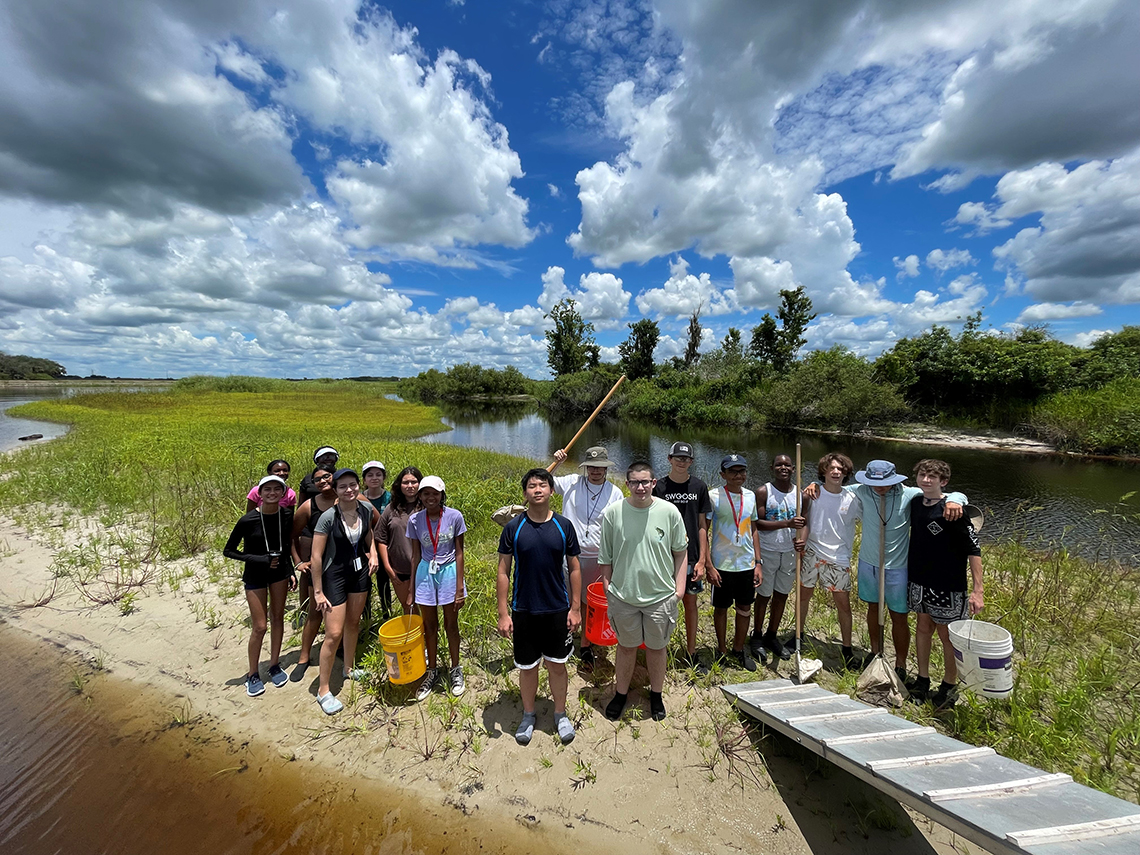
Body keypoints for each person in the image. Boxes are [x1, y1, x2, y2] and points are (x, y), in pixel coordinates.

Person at [805, 459, 966, 681]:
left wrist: (956, 499)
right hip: (868, 563)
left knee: (898, 616)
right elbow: (834, 487)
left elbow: (946, 494)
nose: (879, 487)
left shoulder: (910, 494)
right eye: (874, 482)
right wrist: (814, 483)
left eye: (885, 482)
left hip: (897, 567)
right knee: (873, 608)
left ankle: (900, 663)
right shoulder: (862, 490)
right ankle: (875, 652)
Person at [496, 468, 582, 745]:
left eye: (542, 485)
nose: (537, 490)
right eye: (531, 486)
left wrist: (576, 608)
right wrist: (503, 613)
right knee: (528, 667)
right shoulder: (514, 527)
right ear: (525, 494)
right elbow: (503, 571)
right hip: (524, 610)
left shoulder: (564, 525)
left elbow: (575, 569)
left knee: (557, 666)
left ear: (551, 491)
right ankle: (529, 714)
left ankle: (560, 714)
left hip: (558, 608)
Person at [598, 461, 688, 722]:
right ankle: (621, 693)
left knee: (656, 648)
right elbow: (606, 558)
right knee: (626, 647)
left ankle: (656, 694)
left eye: (645, 482)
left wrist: (679, 590)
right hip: (623, 596)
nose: (640, 487)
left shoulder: (669, 512)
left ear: (654, 483)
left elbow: (681, 553)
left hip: (661, 596)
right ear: (627, 484)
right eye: (635, 482)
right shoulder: (614, 513)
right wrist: (608, 589)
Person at [906, 459, 983, 708]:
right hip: (919, 579)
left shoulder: (954, 510)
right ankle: (923, 679)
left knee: (946, 635)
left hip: (948, 584)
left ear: (943, 482)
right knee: (923, 628)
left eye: (932, 477)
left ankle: (949, 685)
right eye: (922, 475)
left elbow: (974, 550)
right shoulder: (916, 502)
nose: (926, 480)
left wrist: (977, 590)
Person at [310, 468, 379, 715]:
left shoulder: (366, 509)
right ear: (336, 490)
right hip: (334, 576)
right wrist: (318, 592)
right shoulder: (327, 517)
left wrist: (373, 553)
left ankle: (348, 668)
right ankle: (323, 690)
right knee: (333, 633)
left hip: (359, 573)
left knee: (353, 623)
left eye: (353, 485)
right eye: (343, 487)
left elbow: (369, 534)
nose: (349, 490)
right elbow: (316, 557)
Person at [551, 445, 625, 670]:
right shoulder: (572, 482)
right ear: (585, 467)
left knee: (587, 601)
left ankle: (585, 644)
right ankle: (563, 637)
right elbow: (540, 481)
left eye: (600, 467)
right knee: (563, 596)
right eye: (591, 466)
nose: (595, 471)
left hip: (598, 556)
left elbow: (619, 528)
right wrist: (556, 464)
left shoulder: (615, 493)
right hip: (568, 553)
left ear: (606, 469)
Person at [223, 475, 297, 696]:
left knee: (277, 618)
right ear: (259, 493)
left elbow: (286, 544)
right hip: (255, 574)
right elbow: (229, 550)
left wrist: (291, 569)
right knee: (260, 626)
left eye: (277, 489)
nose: (272, 493)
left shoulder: (286, 515)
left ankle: (274, 664)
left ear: (283, 493)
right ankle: (253, 673)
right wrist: (258, 559)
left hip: (280, 573)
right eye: (267, 490)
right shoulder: (248, 520)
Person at [653, 441, 713, 674]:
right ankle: (660, 651)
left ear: (691, 462)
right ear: (669, 459)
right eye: (677, 458)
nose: (681, 462)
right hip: (663, 556)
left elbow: (701, 526)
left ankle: (691, 652)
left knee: (690, 602)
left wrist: (702, 560)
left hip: (691, 557)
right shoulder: (658, 487)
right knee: (661, 605)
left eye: (685, 459)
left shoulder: (699, 487)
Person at [406, 476, 468, 701]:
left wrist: (460, 587)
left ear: (442, 495)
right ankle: (431, 670)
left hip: (450, 572)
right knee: (429, 626)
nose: (431, 498)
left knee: (452, 625)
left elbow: (460, 552)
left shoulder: (454, 516)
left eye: (435, 493)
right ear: (420, 496)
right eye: (426, 494)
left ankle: (455, 669)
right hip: (425, 574)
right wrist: (412, 588)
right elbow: (415, 555)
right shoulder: (415, 520)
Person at [799, 453, 862, 670]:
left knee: (842, 604)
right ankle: (798, 636)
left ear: (846, 474)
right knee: (803, 594)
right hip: (812, 552)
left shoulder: (852, 499)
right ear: (824, 471)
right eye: (832, 468)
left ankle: (846, 648)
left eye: (841, 469)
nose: (836, 472)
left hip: (838, 557)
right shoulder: (811, 494)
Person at [706, 454, 763, 671]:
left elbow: (754, 529)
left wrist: (758, 562)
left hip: (746, 564)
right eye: (732, 471)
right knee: (721, 609)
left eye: (742, 471)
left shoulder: (750, 496)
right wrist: (708, 564)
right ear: (723, 474)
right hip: (722, 564)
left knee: (744, 607)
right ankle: (722, 650)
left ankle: (739, 649)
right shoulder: (714, 496)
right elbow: (706, 528)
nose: (738, 475)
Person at [750, 454, 809, 663]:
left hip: (790, 553)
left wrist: (803, 541)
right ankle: (756, 636)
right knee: (764, 595)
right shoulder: (764, 491)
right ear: (772, 468)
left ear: (793, 468)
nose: (783, 468)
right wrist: (786, 523)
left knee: (781, 595)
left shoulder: (801, 495)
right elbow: (758, 524)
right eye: (778, 465)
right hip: (768, 550)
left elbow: (805, 523)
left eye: (787, 465)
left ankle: (771, 635)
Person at [288, 467, 336, 682]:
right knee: (315, 613)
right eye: (317, 479)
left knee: (339, 613)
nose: (323, 481)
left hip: (343, 568)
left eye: (326, 476)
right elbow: (292, 536)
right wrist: (298, 562)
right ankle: (303, 657)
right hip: (317, 567)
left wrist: (368, 550)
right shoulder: (309, 506)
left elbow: (372, 524)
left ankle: (341, 648)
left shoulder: (349, 498)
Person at [376, 466, 422, 618]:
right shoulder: (392, 509)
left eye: (414, 482)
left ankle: (429, 639)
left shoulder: (427, 508)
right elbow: (381, 539)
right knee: (408, 607)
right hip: (399, 570)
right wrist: (388, 568)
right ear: (399, 485)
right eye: (405, 482)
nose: (410, 486)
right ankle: (415, 640)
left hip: (424, 569)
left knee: (426, 609)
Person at [361, 460, 392, 619]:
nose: (374, 478)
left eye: (378, 474)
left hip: (383, 545)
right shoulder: (356, 496)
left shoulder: (390, 498)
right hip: (362, 547)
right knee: (363, 583)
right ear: (364, 479)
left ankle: (387, 614)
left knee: (384, 582)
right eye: (370, 475)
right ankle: (366, 617)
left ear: (384, 477)